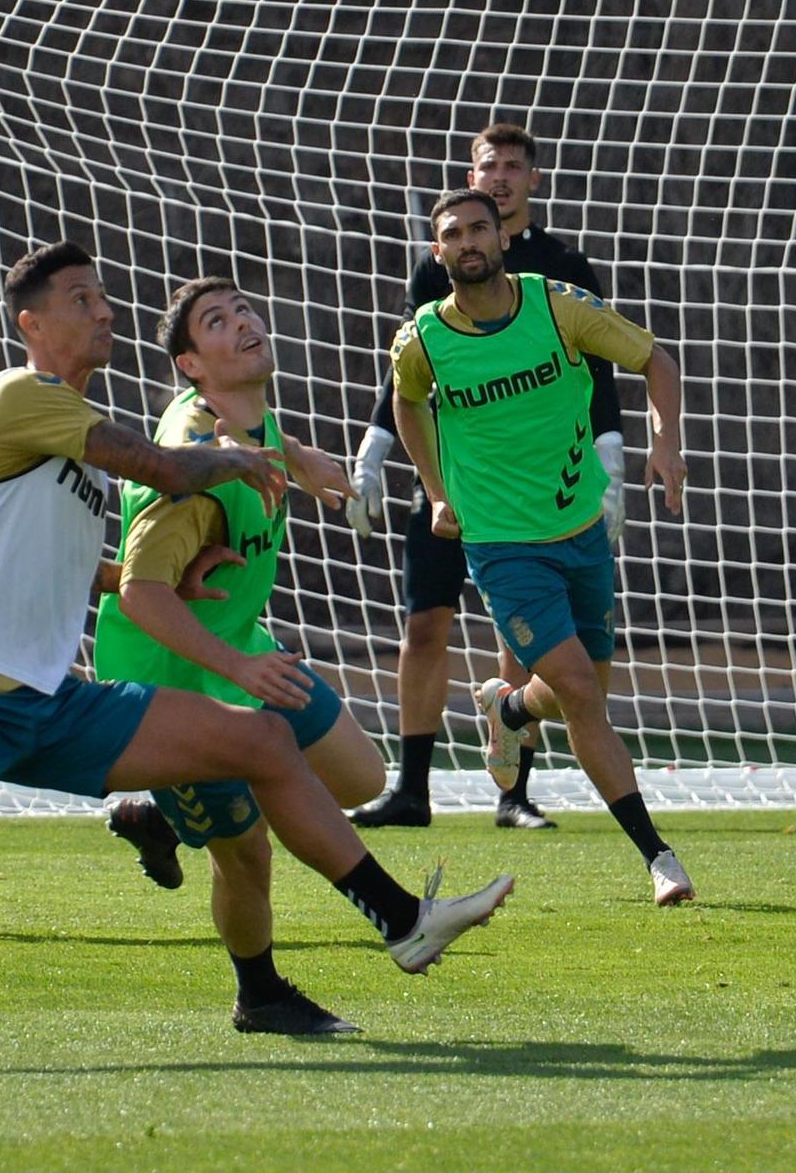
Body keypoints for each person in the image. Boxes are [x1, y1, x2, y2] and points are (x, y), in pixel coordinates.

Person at [0, 240, 514, 1066]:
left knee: (260, 739)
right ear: (31, 322)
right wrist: (243, 457)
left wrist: (148, 582)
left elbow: (67, 560)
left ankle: (401, 922)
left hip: (52, 701)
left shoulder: (77, 453)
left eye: (102, 297)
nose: (102, 310)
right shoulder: (15, 397)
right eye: (81, 300)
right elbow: (161, 463)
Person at [94, 276, 388, 1037]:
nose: (244, 323)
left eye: (245, 310)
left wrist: (305, 458)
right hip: (172, 671)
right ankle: (258, 995)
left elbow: (263, 437)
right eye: (217, 323)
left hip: (242, 648)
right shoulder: (186, 460)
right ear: (191, 366)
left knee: (361, 776)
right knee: (246, 851)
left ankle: (160, 817)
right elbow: (139, 593)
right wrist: (228, 671)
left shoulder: (249, 412)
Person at [386, 189, 694, 906]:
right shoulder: (423, 339)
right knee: (585, 696)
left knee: (576, 692)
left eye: (478, 229)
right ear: (438, 253)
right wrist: (435, 491)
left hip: (581, 529)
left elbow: (656, 360)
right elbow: (405, 401)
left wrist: (664, 441)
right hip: (500, 545)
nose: (466, 242)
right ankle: (659, 858)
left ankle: (512, 711)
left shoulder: (558, 307)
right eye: (451, 234)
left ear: (501, 238)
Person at [349, 122, 627, 831]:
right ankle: (412, 789)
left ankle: (513, 793)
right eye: (486, 166)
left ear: (532, 179)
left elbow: (596, 364)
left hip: (537, 491)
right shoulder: (438, 266)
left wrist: (610, 454)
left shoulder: (560, 266)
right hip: (448, 483)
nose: (498, 176)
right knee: (423, 625)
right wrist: (375, 448)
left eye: (511, 165)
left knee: (517, 639)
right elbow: (409, 375)